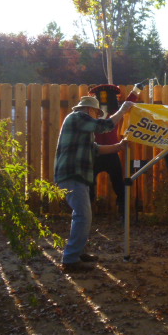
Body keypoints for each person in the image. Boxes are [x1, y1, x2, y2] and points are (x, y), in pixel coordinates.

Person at [55, 96, 134, 272]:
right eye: (96, 113)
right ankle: (70, 259)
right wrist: (122, 111)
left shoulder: (80, 127)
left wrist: (118, 146)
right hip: (73, 173)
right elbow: (104, 126)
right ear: (90, 110)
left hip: (75, 174)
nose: (97, 116)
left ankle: (78, 252)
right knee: (83, 215)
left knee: (83, 215)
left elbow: (95, 149)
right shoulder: (78, 117)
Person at [88, 83, 141, 216]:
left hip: (111, 152)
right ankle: (88, 213)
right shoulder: (92, 114)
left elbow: (128, 103)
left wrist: (136, 91)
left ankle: (123, 213)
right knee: (89, 185)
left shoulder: (113, 113)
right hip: (96, 152)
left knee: (119, 184)